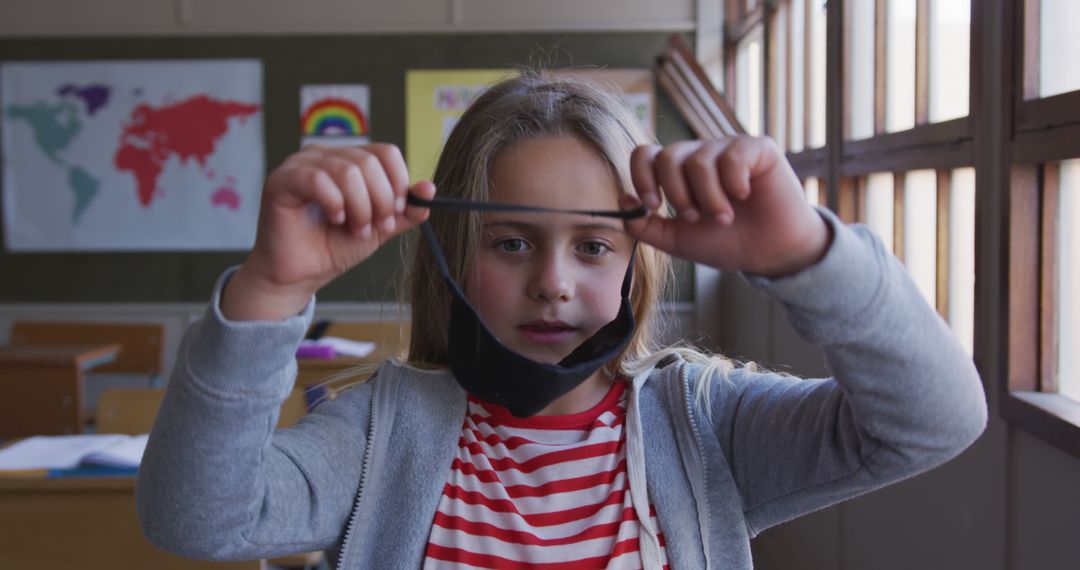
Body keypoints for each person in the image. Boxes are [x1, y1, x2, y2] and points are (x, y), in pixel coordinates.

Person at [136, 73, 987, 569]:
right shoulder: (375, 434)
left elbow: (935, 422)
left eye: (592, 246)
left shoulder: (703, 427)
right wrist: (270, 288)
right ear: (456, 252)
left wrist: (809, 256)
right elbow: (196, 516)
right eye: (510, 244)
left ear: (634, 263)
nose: (552, 284)